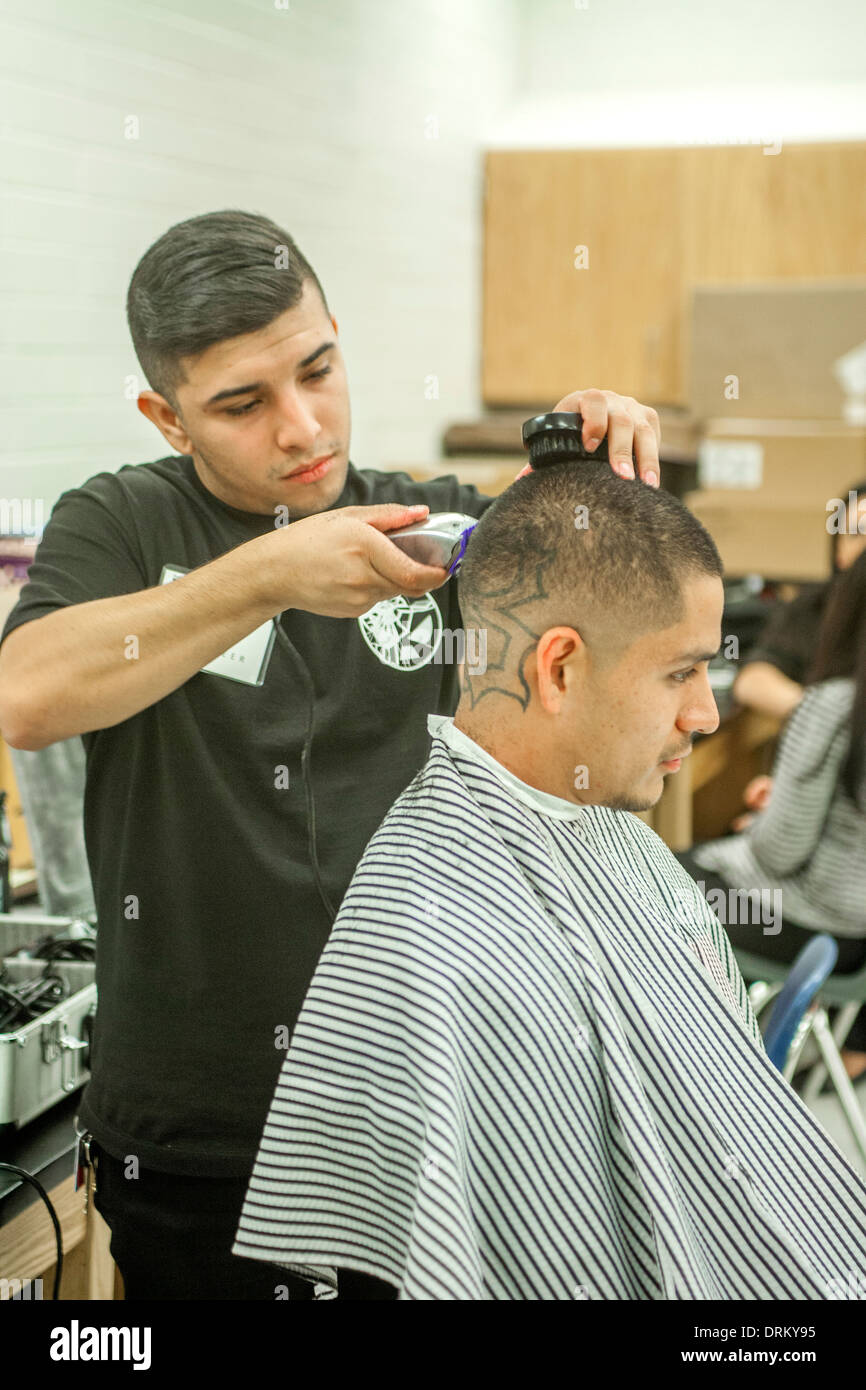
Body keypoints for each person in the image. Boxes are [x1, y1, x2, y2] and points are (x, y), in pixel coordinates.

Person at [0, 208, 661, 1300]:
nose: (303, 427)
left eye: (317, 369)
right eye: (242, 404)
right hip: (198, 1141)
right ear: (168, 417)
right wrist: (266, 574)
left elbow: (629, 672)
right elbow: (26, 697)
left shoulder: (439, 528)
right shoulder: (119, 524)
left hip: (428, 1106)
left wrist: (595, 477)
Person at [232, 461, 866, 1301]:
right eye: (681, 673)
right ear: (558, 668)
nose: (706, 715)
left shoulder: (613, 838)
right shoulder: (433, 940)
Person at [675, 548, 866, 1076]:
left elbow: (779, 853)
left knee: (645, 880)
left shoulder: (833, 707)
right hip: (857, 941)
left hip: (810, 929)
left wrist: (766, 817)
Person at [732, 480, 866, 723]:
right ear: (838, 550)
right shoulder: (815, 607)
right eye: (857, 533)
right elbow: (753, 678)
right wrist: (823, 718)